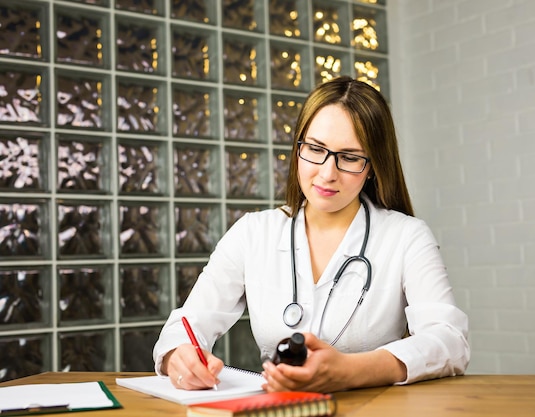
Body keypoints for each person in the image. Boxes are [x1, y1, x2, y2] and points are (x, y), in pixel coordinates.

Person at [153, 75, 470, 393]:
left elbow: (449, 340)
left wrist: (350, 371)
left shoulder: (406, 237)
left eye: (349, 157)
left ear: (372, 166)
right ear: (297, 148)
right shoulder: (253, 233)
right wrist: (179, 357)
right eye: (316, 149)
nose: (327, 173)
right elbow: (185, 326)